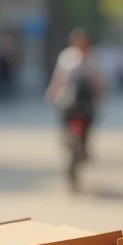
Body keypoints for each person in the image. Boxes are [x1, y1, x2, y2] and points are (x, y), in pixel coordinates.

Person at [46, 28, 104, 160]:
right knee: (64, 117)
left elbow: (99, 80)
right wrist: (53, 92)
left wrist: (100, 93)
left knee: (90, 118)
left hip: (86, 99)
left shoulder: (93, 58)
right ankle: (68, 138)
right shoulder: (67, 57)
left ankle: (85, 144)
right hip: (70, 97)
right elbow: (59, 77)